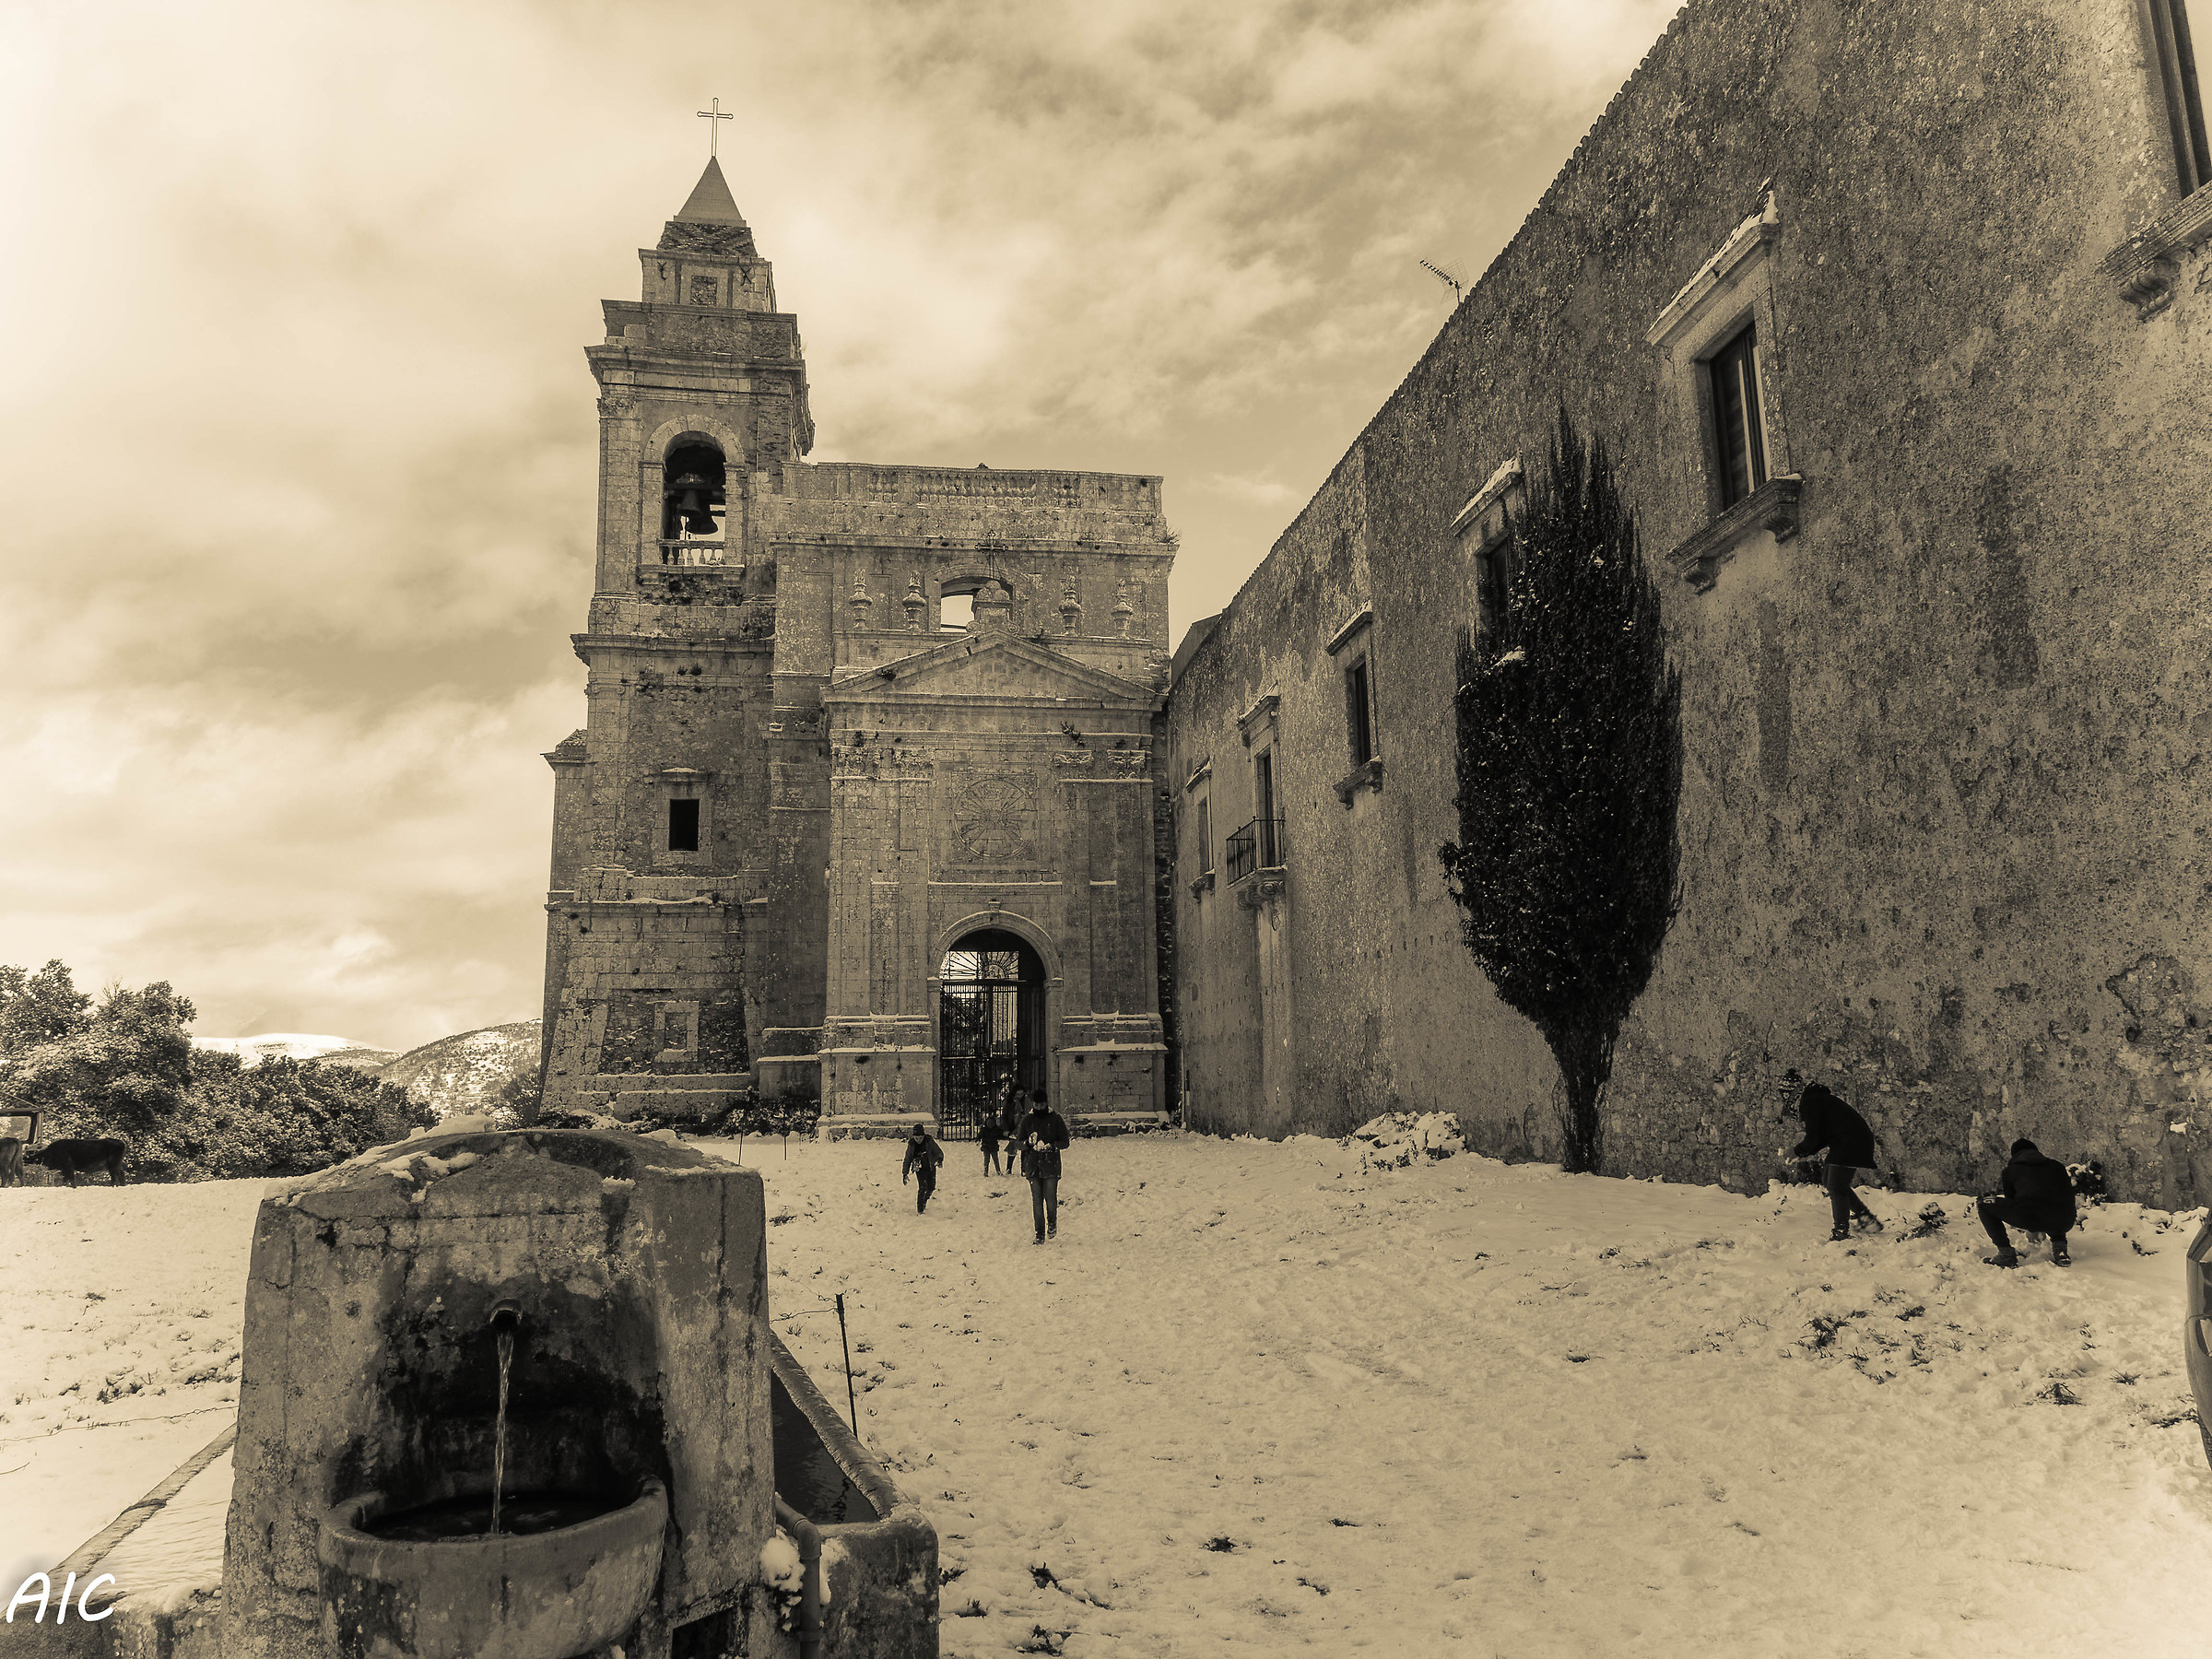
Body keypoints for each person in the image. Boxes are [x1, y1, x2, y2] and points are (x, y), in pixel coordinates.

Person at [1777, 1069, 1884, 1242]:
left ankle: (1841, 1231)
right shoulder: (1816, 1100)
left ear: (1794, 1092)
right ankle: (1866, 1218)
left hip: (1850, 1142)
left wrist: (1796, 1151)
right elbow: (1820, 1138)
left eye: (1788, 1097)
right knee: (1830, 1181)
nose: (1788, 1102)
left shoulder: (1810, 1103)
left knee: (1836, 1186)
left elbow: (1814, 1138)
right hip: (1851, 1140)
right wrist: (1801, 1152)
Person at [1977, 1137, 2077, 1267]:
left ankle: (2005, 1254)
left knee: (1983, 1205)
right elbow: (2065, 1196)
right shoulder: (2057, 1166)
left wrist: (2032, 1226)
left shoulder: (2010, 1171)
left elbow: (2012, 1202)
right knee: (2054, 1200)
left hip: (2030, 1216)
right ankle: (2060, 1249)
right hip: (2065, 1220)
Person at [1018, 1089, 1071, 1243]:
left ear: (1046, 1103)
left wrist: (1053, 1146)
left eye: (1041, 1104)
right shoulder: (1027, 1120)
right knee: (1037, 1200)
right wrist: (1028, 1143)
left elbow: (1065, 1141)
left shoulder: (1055, 1119)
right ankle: (1039, 1233)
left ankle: (1052, 1222)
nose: (1039, 1107)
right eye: (1036, 1104)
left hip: (1051, 1165)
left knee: (1050, 1198)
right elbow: (1018, 1143)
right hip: (1033, 1165)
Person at [900, 1123, 944, 1214]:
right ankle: (920, 1208)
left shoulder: (929, 1141)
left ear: (924, 1136)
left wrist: (939, 1159)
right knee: (922, 1187)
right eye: (916, 1138)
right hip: (919, 1168)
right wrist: (905, 1173)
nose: (918, 1140)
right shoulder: (912, 1145)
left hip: (930, 1167)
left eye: (920, 1138)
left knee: (931, 1187)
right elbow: (907, 1159)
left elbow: (938, 1151)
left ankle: (925, 1200)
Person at [979, 1111, 1004, 1176]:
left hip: (993, 1146)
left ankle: (998, 1171)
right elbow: (979, 1136)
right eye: (989, 1123)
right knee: (987, 1160)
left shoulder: (996, 1130)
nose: (990, 1124)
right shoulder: (984, 1130)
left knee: (995, 1160)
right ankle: (986, 1171)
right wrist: (977, 1139)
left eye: (991, 1123)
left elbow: (1001, 1135)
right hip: (986, 1146)